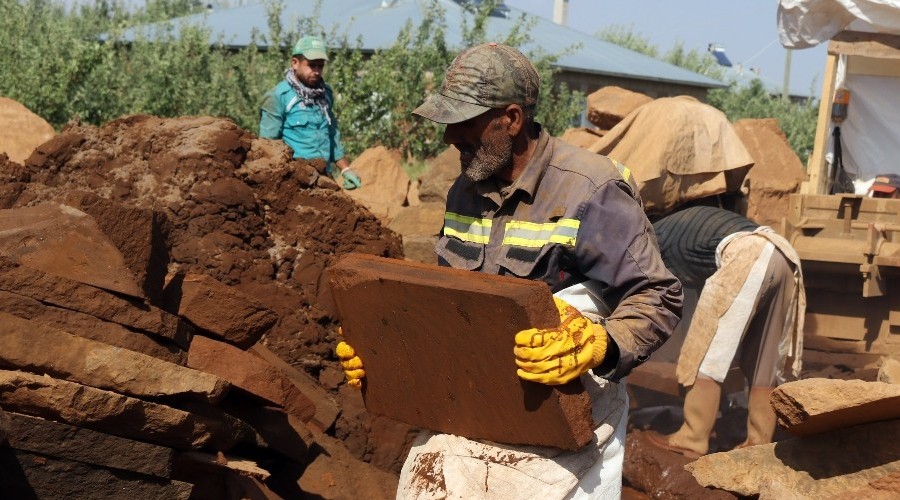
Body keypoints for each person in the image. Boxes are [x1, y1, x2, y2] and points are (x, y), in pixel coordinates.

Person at [336, 42, 682, 499]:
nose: (449, 138)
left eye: (465, 123)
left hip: (569, 411)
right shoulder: (466, 189)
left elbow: (657, 294)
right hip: (479, 403)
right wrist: (389, 354)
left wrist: (602, 344)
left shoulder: (590, 188)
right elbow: (455, 304)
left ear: (512, 119)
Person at [644, 205, 805, 458]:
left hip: (746, 255)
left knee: (704, 347)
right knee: (765, 359)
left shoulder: (651, 239)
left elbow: (652, 289)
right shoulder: (687, 229)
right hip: (783, 254)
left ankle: (691, 438)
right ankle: (759, 441)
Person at [259, 35, 361, 190]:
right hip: (295, 182)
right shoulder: (279, 96)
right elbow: (266, 146)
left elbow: (332, 133)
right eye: (312, 65)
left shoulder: (325, 94)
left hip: (324, 177)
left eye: (320, 66)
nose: (317, 71)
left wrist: (345, 169)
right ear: (295, 63)